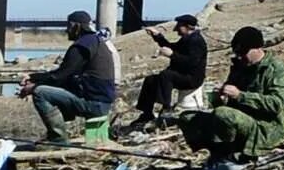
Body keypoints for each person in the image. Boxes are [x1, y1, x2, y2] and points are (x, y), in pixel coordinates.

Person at [180, 26, 284, 167]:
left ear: (258, 48)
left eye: (244, 53)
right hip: (239, 120)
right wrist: (219, 98)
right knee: (187, 118)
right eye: (238, 53)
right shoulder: (240, 68)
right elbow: (223, 104)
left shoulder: (276, 69)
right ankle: (217, 152)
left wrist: (240, 95)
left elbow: (276, 104)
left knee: (224, 114)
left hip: (267, 127)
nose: (240, 57)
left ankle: (230, 152)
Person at [17, 10, 118, 142]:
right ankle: (58, 133)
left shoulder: (81, 46)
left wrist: (33, 85)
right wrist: (34, 77)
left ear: (76, 26)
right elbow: (66, 76)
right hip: (101, 101)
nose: (67, 30)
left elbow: (59, 76)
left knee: (40, 92)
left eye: (68, 26)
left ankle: (58, 139)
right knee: (54, 89)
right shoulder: (95, 42)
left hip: (94, 104)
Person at [130, 14, 209, 129]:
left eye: (179, 26)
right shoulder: (187, 39)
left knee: (166, 75)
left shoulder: (196, 41)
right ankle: (146, 113)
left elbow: (191, 62)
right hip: (183, 75)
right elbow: (172, 47)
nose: (176, 29)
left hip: (192, 78)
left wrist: (172, 55)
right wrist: (157, 36)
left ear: (187, 27)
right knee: (150, 80)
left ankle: (166, 109)